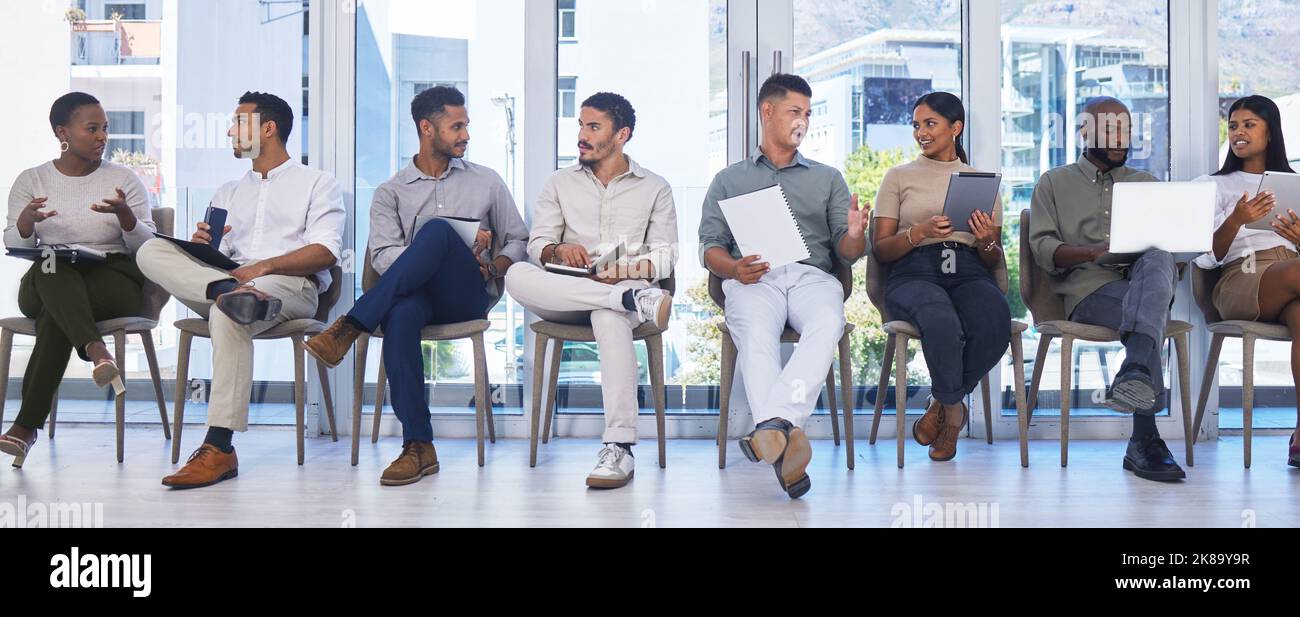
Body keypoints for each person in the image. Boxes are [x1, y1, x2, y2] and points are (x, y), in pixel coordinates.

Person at [305, 86, 529, 486]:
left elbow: (518, 239)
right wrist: (427, 252)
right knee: (402, 315)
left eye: (466, 126)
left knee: (440, 232)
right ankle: (418, 446)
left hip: (467, 295)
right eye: (456, 126)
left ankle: (350, 326)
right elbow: (383, 258)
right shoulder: (391, 193)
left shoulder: (487, 181)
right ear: (427, 128)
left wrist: (492, 262)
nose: (465, 135)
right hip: (416, 298)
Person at [135, 92, 345, 489]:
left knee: (229, 310)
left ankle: (219, 447)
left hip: (290, 287)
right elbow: (219, 254)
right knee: (150, 249)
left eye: (239, 123)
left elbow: (324, 251)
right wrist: (205, 249)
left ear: (268, 129)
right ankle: (226, 291)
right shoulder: (228, 190)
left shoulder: (318, 184)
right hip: (227, 283)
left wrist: (263, 267)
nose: (231, 131)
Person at [698, 74, 869, 499]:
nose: (803, 121)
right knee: (755, 332)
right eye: (795, 111)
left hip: (813, 276)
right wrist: (735, 268)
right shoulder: (728, 179)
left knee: (828, 322)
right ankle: (785, 434)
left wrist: (854, 233)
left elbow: (847, 253)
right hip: (755, 278)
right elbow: (709, 249)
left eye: (808, 114)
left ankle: (773, 427)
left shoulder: (827, 178)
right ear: (767, 112)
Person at [505, 92, 677, 490]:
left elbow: (666, 256)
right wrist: (556, 249)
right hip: (566, 290)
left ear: (622, 135)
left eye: (593, 127)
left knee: (609, 315)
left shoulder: (655, 187)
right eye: (580, 125)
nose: (581, 135)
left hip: (626, 283)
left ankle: (619, 447)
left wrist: (627, 271)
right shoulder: (558, 184)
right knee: (515, 273)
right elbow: (537, 245)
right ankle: (631, 300)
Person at [1028, 96, 1186, 482]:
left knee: (1160, 256)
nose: (1121, 138)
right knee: (1150, 317)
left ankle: (1133, 370)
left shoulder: (1145, 184)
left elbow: (1171, 260)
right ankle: (1145, 439)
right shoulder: (1054, 182)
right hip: (1088, 292)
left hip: (1144, 284)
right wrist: (1095, 251)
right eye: (1111, 129)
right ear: (1085, 131)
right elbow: (1045, 250)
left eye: (1127, 130)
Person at [0, 92, 157, 468]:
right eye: (92, 129)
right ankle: (95, 350)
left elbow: (148, 247)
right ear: (62, 132)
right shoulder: (32, 179)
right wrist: (25, 223)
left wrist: (126, 218)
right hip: (49, 275)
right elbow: (14, 242)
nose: (103, 136)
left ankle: (25, 428)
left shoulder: (123, 179)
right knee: (53, 264)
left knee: (58, 315)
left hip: (112, 277)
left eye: (105, 128)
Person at [872, 92, 1010, 462]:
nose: (921, 133)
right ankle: (953, 418)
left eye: (930, 124)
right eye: (916, 125)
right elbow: (880, 249)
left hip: (967, 268)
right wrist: (919, 232)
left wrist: (985, 241)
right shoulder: (898, 177)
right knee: (940, 319)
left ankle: (942, 401)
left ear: (956, 128)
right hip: (914, 271)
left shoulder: (981, 182)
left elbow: (993, 254)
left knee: (995, 319)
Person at [1192, 94, 1300, 467]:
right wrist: (1236, 218)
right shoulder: (1213, 185)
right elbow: (1206, 256)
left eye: (1248, 124)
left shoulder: (1294, 185)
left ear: (1270, 133)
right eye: (1233, 126)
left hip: (1289, 276)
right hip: (1241, 277)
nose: (1238, 133)